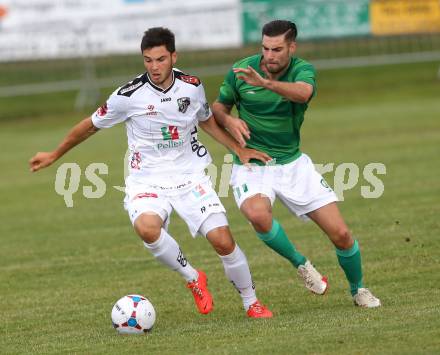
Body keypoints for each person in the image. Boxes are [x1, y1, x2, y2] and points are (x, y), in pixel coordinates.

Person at [29, 27, 273, 318]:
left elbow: (205, 120)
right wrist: (55, 154)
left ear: (173, 56)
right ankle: (193, 277)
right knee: (147, 228)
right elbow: (90, 125)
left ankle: (251, 302)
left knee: (222, 239)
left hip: (190, 175)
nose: (154, 67)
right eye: (148, 60)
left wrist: (238, 149)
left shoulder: (192, 86)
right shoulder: (127, 95)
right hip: (146, 179)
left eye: (160, 59)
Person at [212, 20, 381, 308]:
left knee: (341, 234)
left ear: (292, 47)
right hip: (252, 163)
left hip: (293, 164)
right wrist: (228, 120)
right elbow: (218, 107)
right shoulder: (242, 69)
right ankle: (301, 265)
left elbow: (303, 93)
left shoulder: (303, 70)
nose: (269, 55)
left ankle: (359, 290)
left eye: (277, 49)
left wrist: (265, 83)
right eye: (265, 48)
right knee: (257, 214)